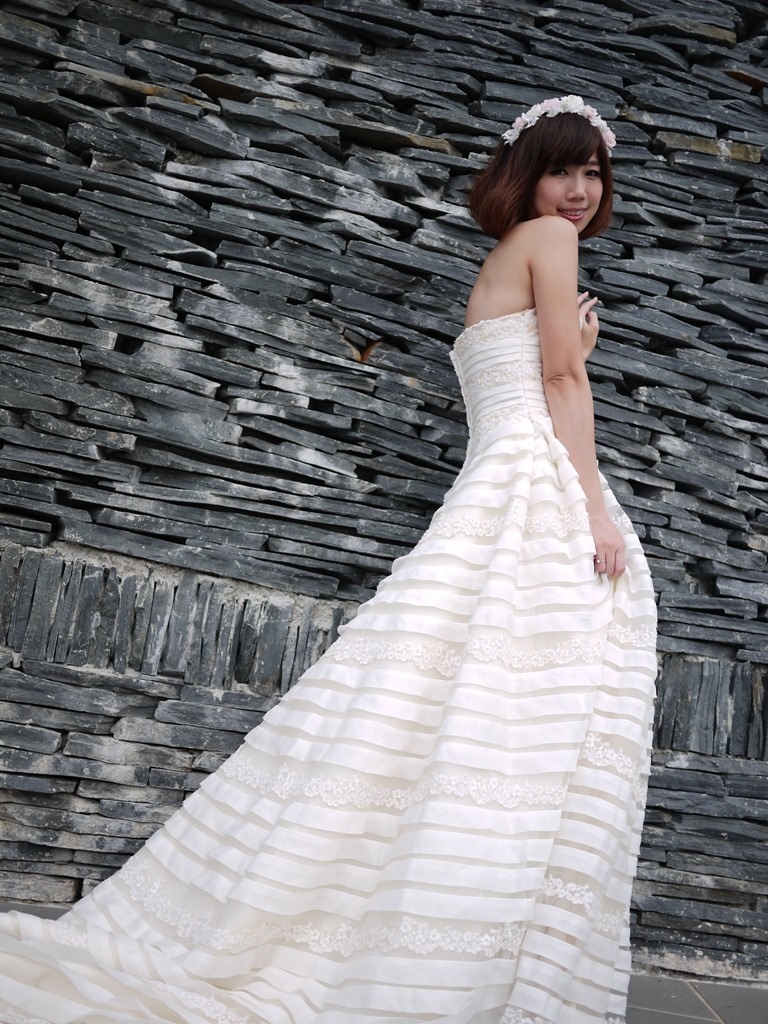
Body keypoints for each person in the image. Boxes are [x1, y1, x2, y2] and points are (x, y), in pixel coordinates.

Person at [0, 96, 656, 1024]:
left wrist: (568, 356)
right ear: (527, 176)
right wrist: (591, 502)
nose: (579, 191)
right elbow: (556, 378)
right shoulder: (548, 240)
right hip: (533, 487)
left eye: (593, 173)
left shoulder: (502, 260)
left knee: (438, 693)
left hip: (497, 479)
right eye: (562, 169)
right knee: (522, 698)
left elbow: (525, 373)